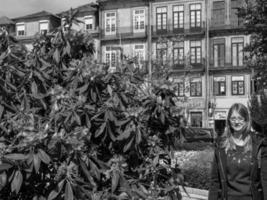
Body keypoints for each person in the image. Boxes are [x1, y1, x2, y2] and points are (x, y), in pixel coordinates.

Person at [208, 103, 267, 200]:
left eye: (240, 118)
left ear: (246, 120)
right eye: (233, 118)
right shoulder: (221, 145)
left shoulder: (258, 144)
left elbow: (265, 178)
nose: (236, 122)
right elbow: (215, 181)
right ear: (229, 121)